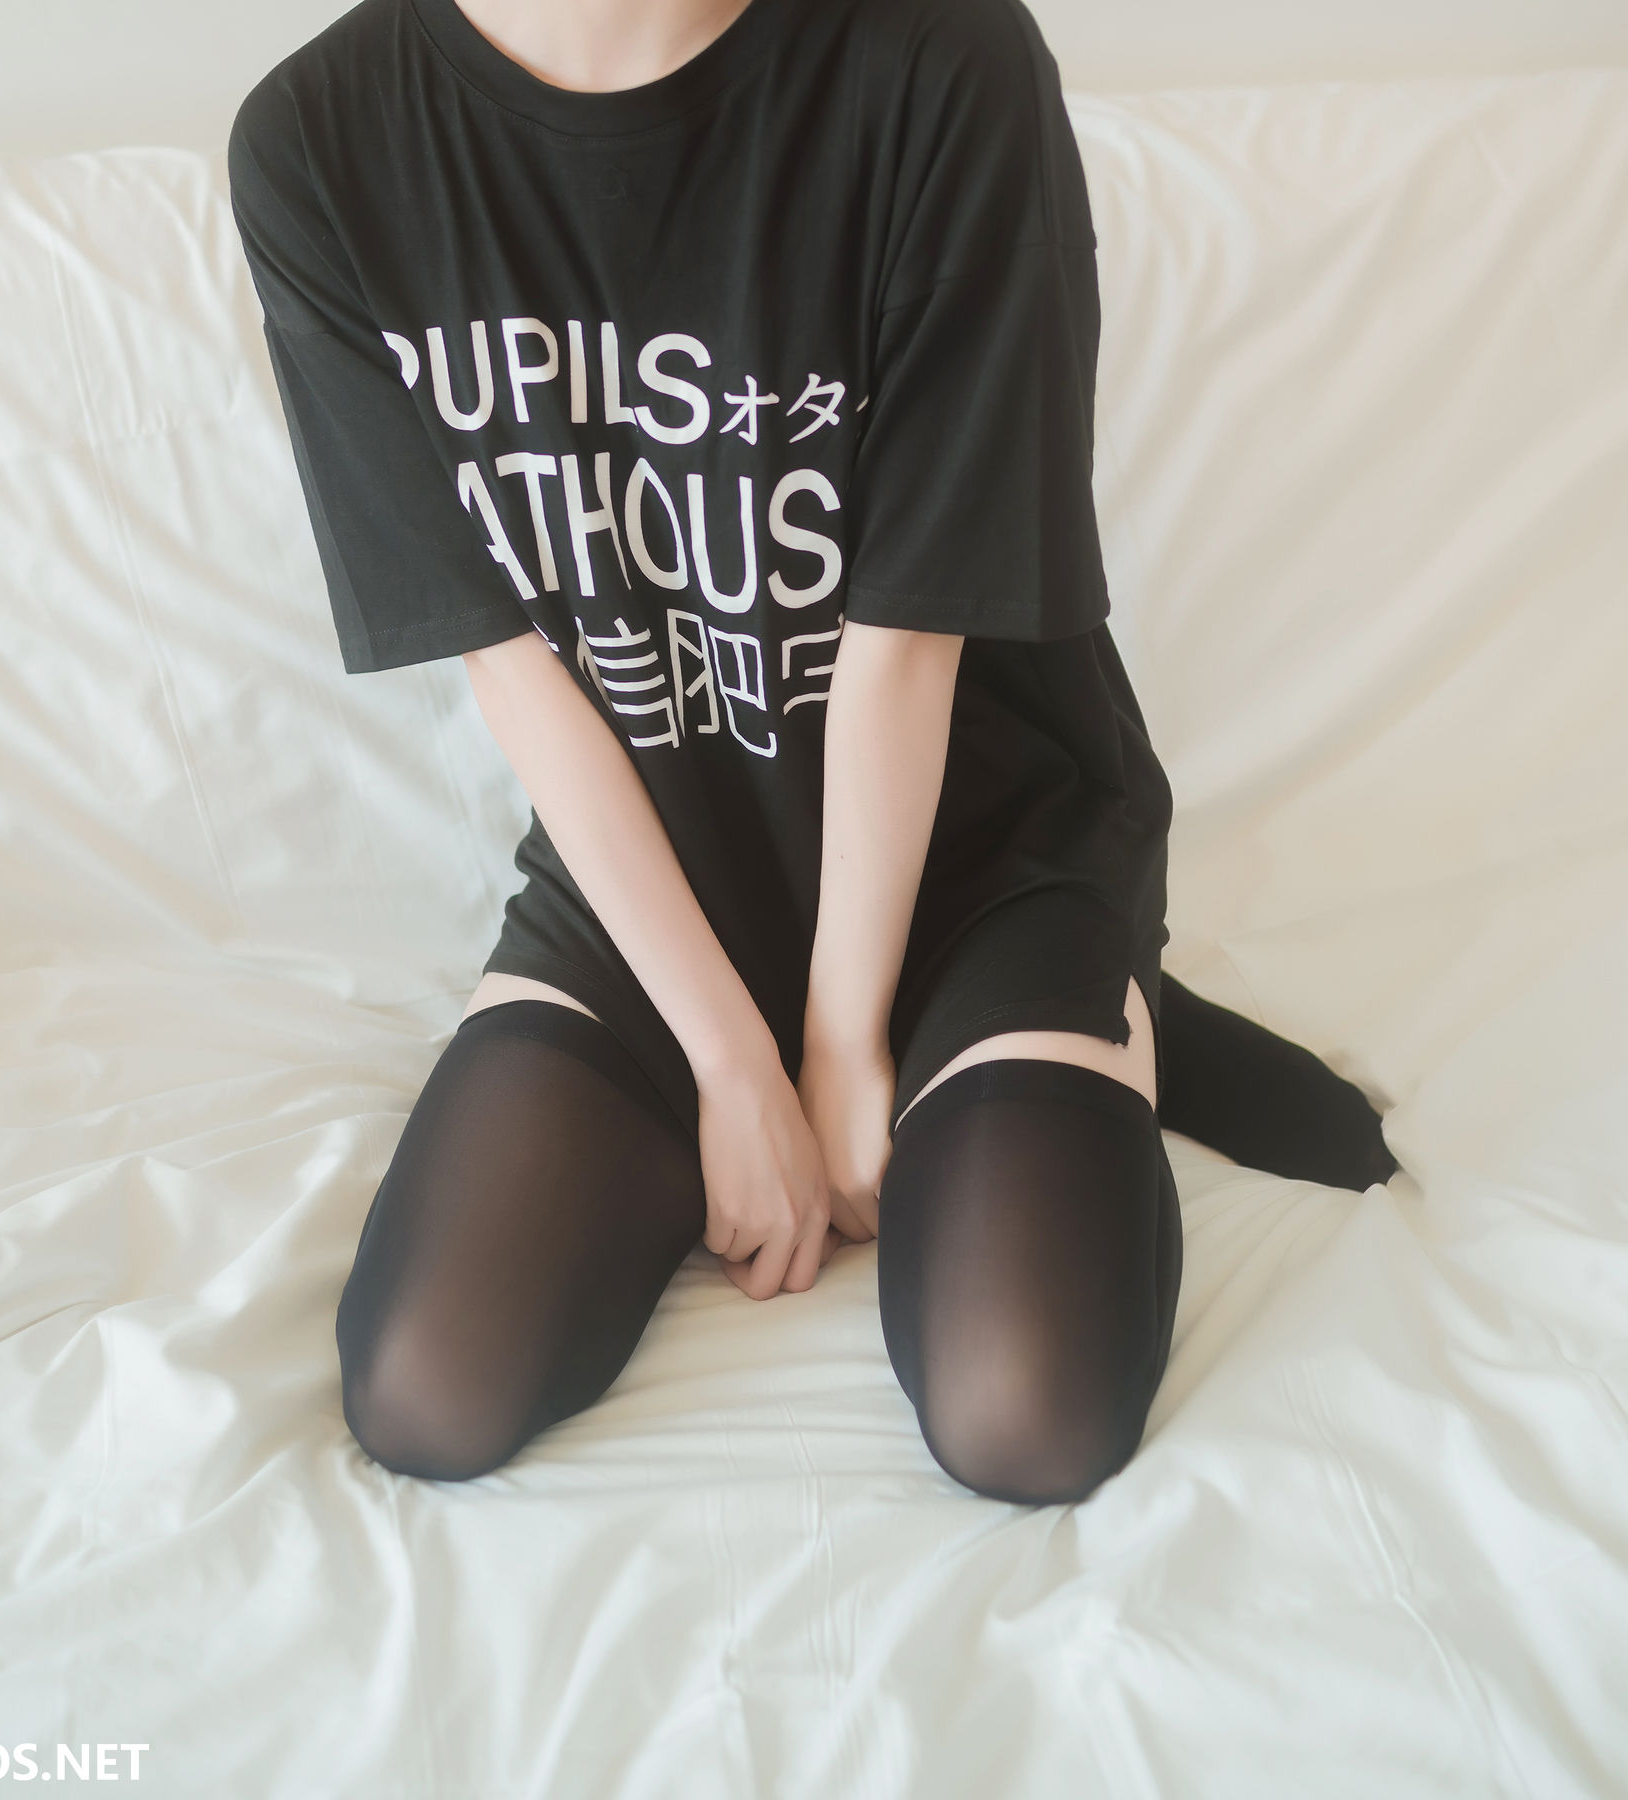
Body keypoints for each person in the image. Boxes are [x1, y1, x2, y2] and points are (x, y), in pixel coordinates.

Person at [228, 0, 1396, 1506]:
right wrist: (731, 1064)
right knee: (428, 1387)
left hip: (979, 852)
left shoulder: (943, 61)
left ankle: (1082, 1002)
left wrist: (842, 1047)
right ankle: (1008, 1049)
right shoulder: (323, 143)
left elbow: (908, 635)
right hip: (665, 862)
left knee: (1022, 1411)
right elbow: (508, 663)